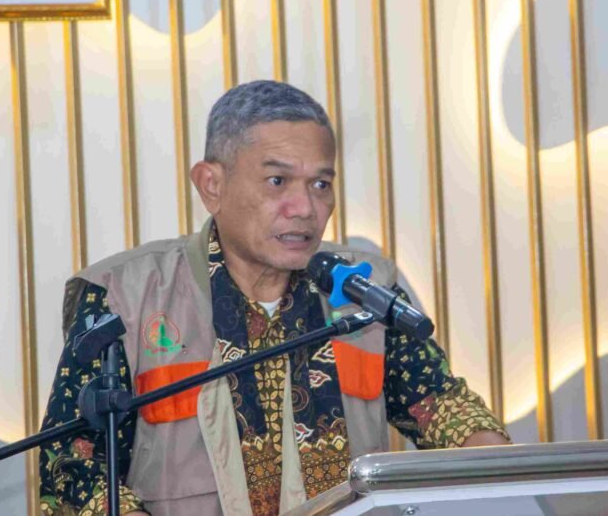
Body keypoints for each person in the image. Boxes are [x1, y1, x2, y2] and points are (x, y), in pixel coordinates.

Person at [39, 81, 509, 516]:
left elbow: (442, 407)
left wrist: (505, 469)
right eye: (278, 181)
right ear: (212, 186)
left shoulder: (363, 291)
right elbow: (72, 465)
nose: (305, 208)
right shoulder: (123, 297)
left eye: (321, 185)